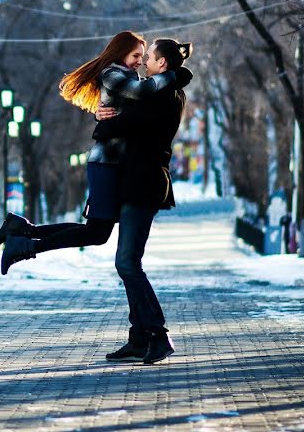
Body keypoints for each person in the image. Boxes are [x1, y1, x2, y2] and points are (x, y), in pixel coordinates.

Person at [0, 31, 188, 276]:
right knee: (96, 232)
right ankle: (26, 243)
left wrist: (103, 115)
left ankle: (22, 231)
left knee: (96, 231)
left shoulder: (131, 76)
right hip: (105, 163)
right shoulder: (113, 73)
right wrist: (174, 74)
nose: (140, 60)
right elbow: (141, 93)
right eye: (136, 55)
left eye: (143, 56)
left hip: (115, 164)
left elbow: (135, 106)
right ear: (121, 53)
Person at [93, 38, 193, 364]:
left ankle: (158, 334)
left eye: (148, 57)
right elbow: (125, 114)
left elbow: (117, 126)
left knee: (127, 263)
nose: (144, 63)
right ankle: (139, 338)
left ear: (162, 64)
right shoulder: (164, 93)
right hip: (138, 183)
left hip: (144, 184)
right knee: (128, 263)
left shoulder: (164, 97)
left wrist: (104, 121)